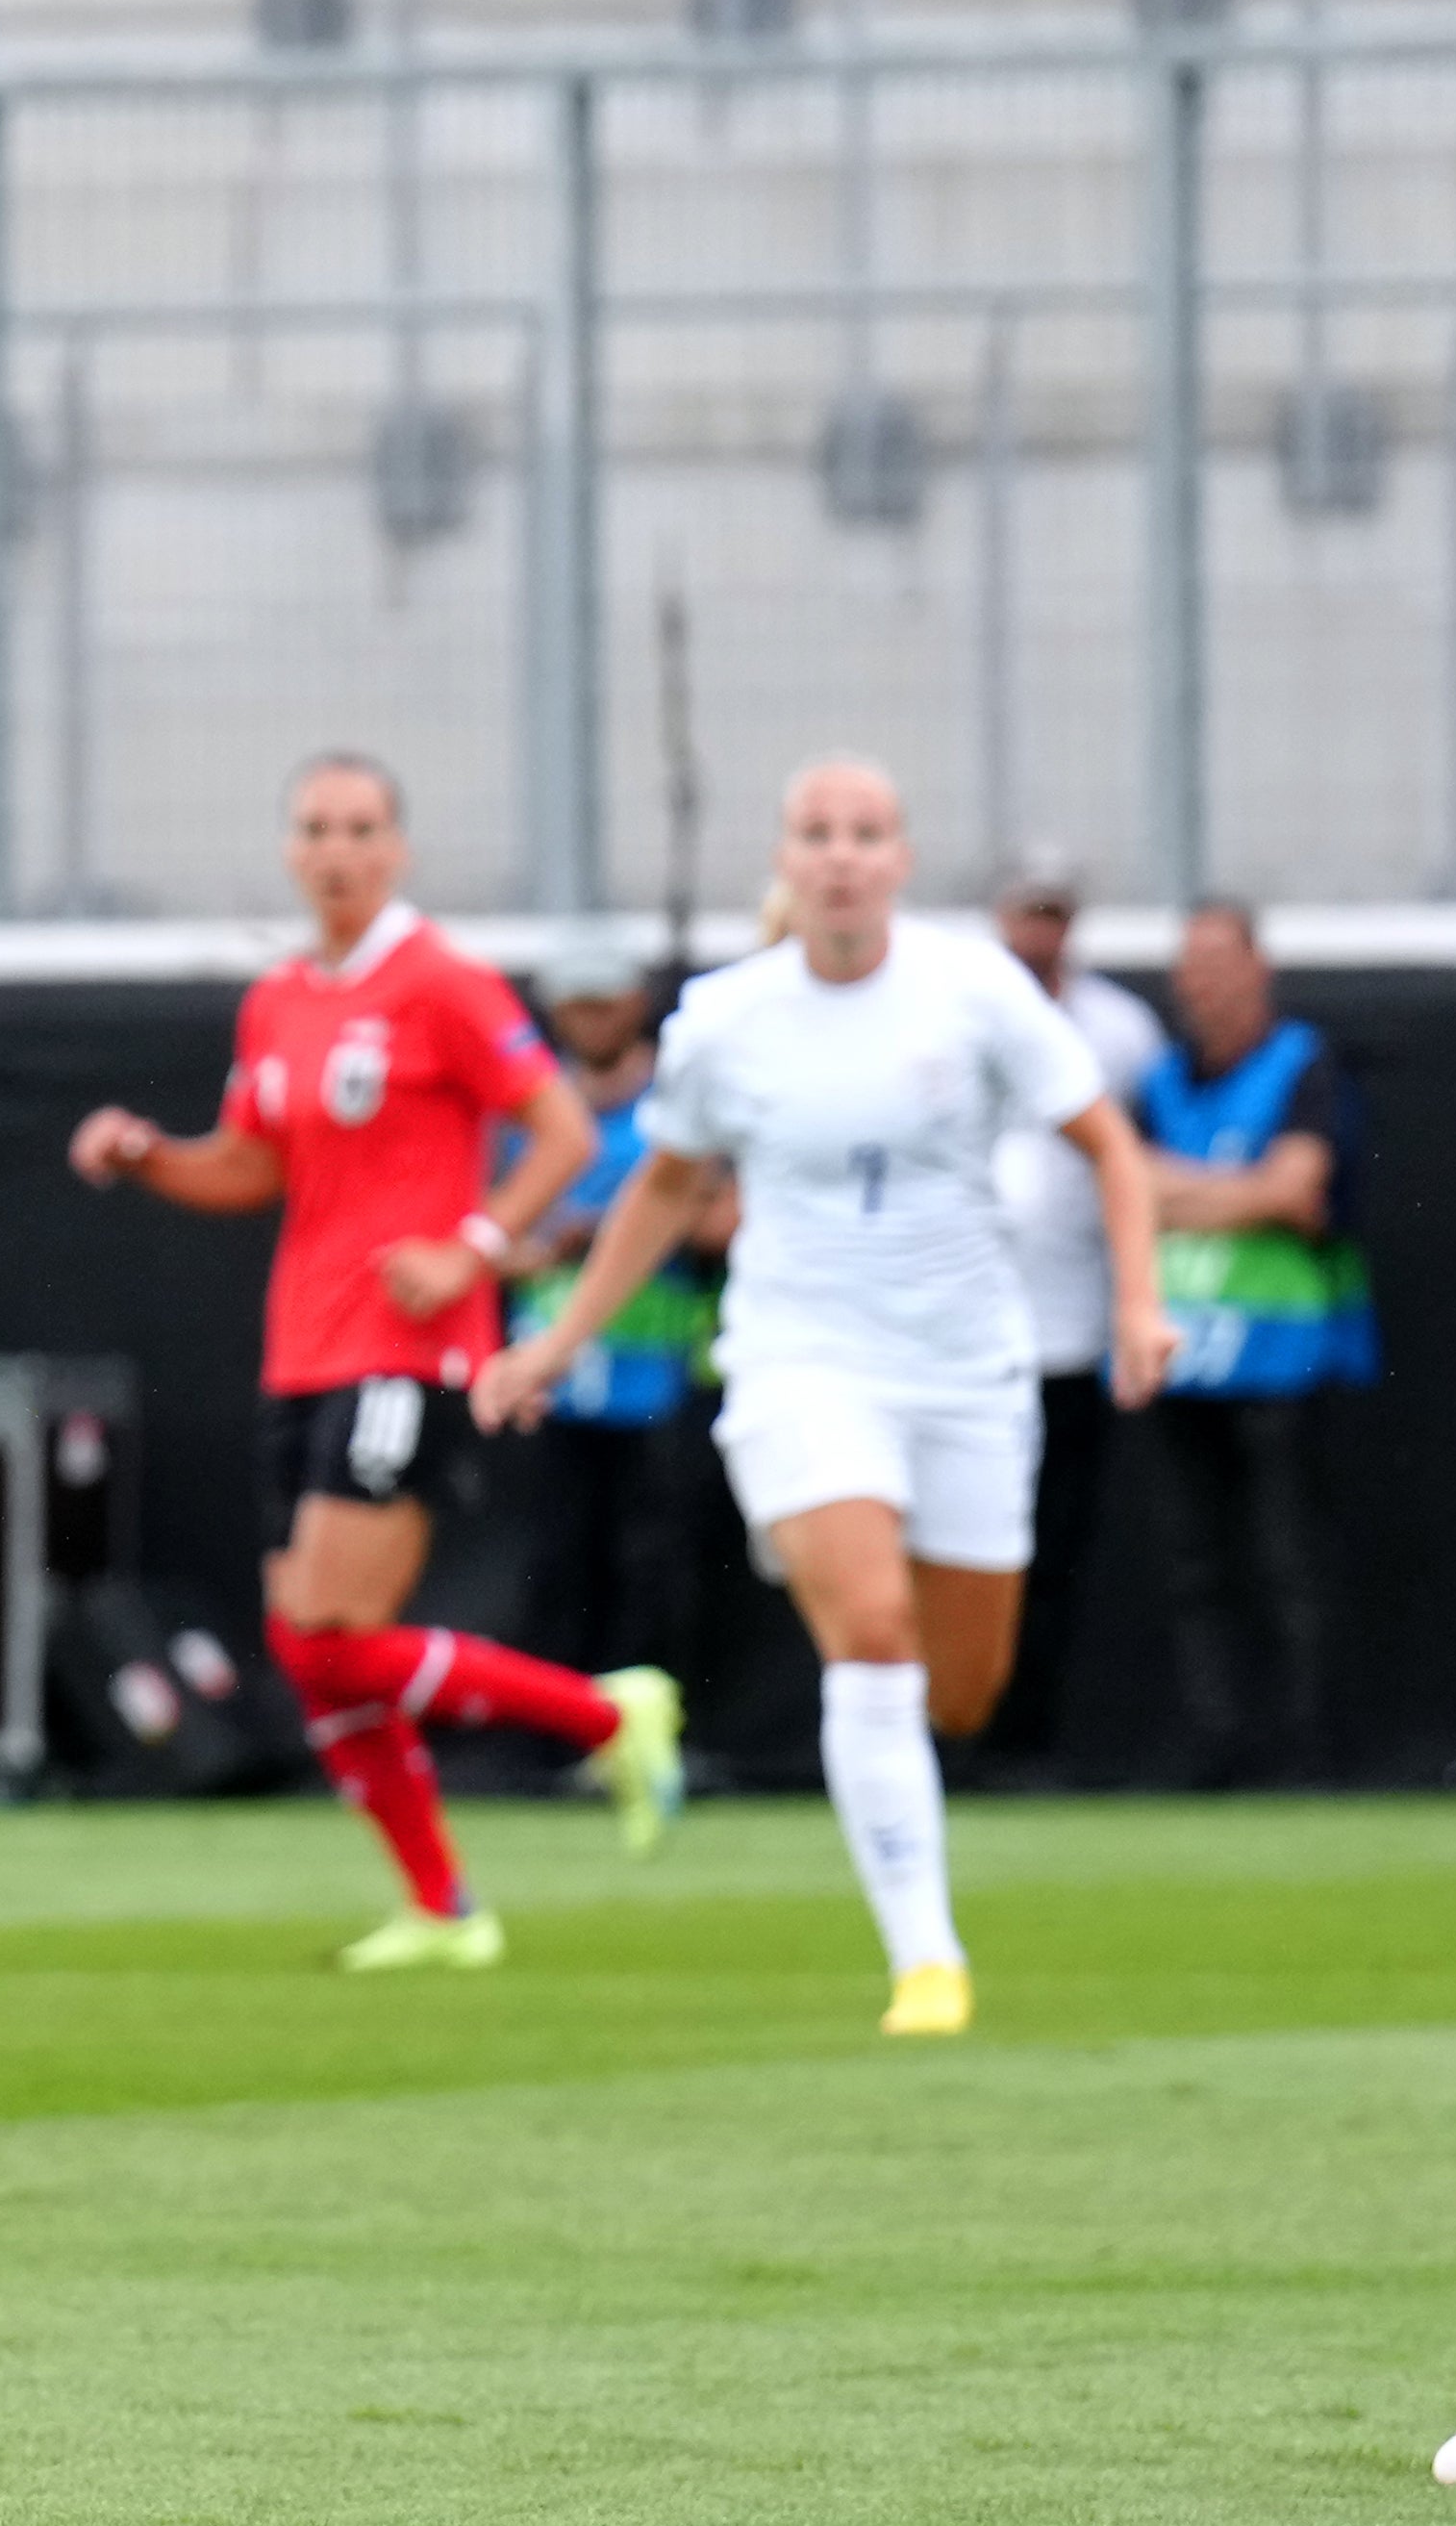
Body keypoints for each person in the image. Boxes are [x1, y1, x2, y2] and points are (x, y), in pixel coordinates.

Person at [480, 757, 1173, 2037]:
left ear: (899, 861)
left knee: (960, 1692)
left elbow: (1107, 1149)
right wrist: (556, 1341)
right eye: (816, 833)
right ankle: (926, 1961)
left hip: (965, 1374)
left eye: (865, 834)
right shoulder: (724, 1019)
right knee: (869, 1632)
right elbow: (662, 1187)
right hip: (799, 1359)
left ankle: (847, 1585)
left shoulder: (974, 991)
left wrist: (1135, 1304)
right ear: (784, 861)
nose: (841, 856)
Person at [67, 751, 687, 1968]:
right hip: (303, 1350)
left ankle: (608, 1713)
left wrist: (472, 1246)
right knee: (308, 1649)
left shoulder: (440, 983)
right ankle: (444, 1909)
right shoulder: (280, 1000)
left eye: (360, 828)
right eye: (315, 828)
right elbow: (250, 1166)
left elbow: (563, 1129)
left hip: (403, 1353)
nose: (337, 851)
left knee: (339, 1633)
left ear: (396, 848)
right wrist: (147, 1154)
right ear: (290, 851)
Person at [1134, 900, 1380, 1785]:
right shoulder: (1159, 1079)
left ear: (1258, 968)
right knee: (1196, 1567)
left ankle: (1311, 1747)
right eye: (1189, 962)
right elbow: (1127, 1192)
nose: (1203, 980)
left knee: (1292, 1557)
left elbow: (1295, 1193)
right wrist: (1237, 1188)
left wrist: (1183, 1190)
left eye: (1219, 959)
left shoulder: (1300, 1065)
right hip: (1183, 1356)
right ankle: (1218, 1748)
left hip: (1285, 1356)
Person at [484, 943, 729, 1712]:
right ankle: (558, 1726)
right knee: (557, 1559)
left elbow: (721, 1216)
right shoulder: (523, 1119)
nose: (594, 1019)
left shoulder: (677, 1105)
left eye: (608, 1001)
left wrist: (616, 1232)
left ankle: (652, 1725)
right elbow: (485, 1237)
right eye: (578, 1004)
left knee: (656, 1562)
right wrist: (537, 1248)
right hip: (552, 1384)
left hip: (659, 1380)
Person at [977, 861, 1168, 1776]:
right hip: (966, 1335)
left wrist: (1136, 1304)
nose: (1038, 932)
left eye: (1055, 914)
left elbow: (1132, 1162)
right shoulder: (954, 1008)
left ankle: (1029, 1740)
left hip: (1070, 1331)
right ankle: (957, 1732)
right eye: (1027, 911)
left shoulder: (1120, 1032)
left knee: (1052, 1546)